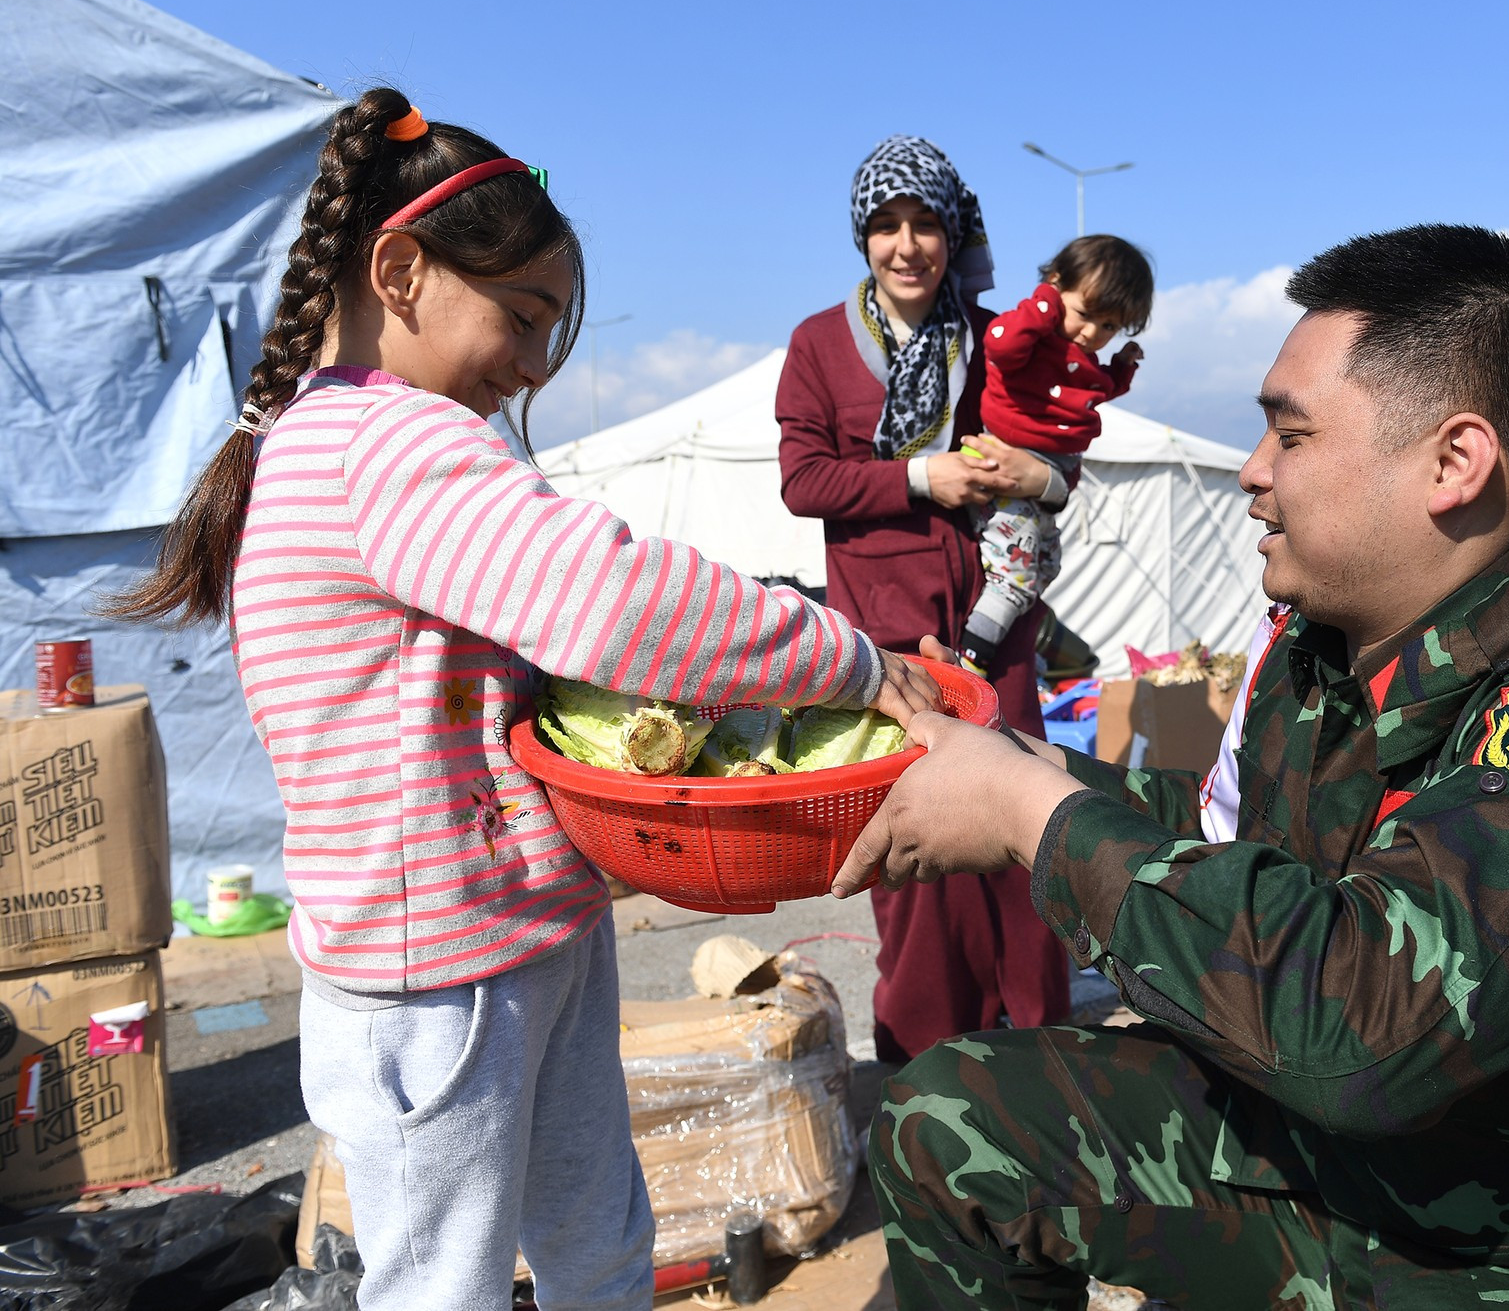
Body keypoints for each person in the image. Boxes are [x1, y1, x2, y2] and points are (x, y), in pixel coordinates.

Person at [106, 88, 937, 1311]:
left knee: (600, 1230)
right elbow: (616, 603)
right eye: (524, 314)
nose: (539, 361)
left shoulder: (370, 439)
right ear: (398, 271)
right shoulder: (379, 448)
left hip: (524, 930)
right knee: (440, 1280)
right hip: (430, 977)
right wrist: (852, 661)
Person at [836, 225, 1509, 1308]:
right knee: (951, 1122)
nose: (1251, 471)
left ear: (1451, 463)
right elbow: (1232, 845)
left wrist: (1033, 813)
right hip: (1358, 1177)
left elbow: (1361, 1026)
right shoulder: (1324, 656)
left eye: (1290, 432)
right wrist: (1010, 765)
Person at [776, 135, 1072, 1062]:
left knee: (1027, 834)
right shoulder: (820, 344)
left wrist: (1044, 475)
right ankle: (926, 1073)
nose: (907, 246)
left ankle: (1047, 1056)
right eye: (887, 226)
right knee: (912, 856)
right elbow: (804, 480)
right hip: (888, 641)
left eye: (925, 225)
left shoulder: (994, 341)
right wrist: (918, 477)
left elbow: (1055, 452)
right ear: (862, 237)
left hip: (996, 628)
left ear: (952, 233)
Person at [959, 235, 1153, 674]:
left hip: (1053, 471)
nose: (1091, 334)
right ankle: (973, 654)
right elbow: (1000, 344)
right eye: (1085, 315)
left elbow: (1098, 389)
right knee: (1016, 576)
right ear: (1055, 284)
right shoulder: (1032, 338)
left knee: (1047, 563)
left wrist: (1122, 365)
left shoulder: (1077, 356)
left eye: (1108, 326)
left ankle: (995, 635)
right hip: (1012, 457)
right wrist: (1045, 300)